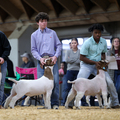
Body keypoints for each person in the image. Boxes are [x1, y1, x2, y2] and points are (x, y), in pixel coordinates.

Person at [76, 23, 120, 108]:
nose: (97, 34)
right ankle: (70, 103)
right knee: (78, 81)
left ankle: (115, 103)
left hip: (99, 65)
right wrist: (94, 63)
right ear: (92, 32)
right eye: (96, 32)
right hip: (86, 65)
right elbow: (81, 57)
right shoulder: (87, 42)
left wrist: (103, 62)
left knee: (110, 82)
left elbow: (103, 53)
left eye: (99, 33)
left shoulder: (103, 41)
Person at [31, 12, 62, 109]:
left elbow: (59, 45)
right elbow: (33, 49)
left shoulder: (52, 33)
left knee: (55, 82)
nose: (44, 23)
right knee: (42, 84)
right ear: (37, 23)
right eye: (42, 21)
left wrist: (56, 56)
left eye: (45, 21)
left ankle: (55, 104)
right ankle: (46, 104)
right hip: (41, 61)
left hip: (52, 61)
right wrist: (40, 58)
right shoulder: (34, 35)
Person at [63, 38, 80, 108]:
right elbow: (67, 60)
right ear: (71, 44)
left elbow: (80, 61)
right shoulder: (68, 51)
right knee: (68, 87)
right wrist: (76, 59)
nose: (73, 44)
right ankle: (66, 103)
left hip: (78, 71)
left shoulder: (80, 51)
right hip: (70, 71)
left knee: (77, 88)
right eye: (72, 43)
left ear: (77, 44)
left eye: (75, 43)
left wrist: (71, 60)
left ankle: (76, 103)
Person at [0, 31, 11, 109]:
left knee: (1, 83)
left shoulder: (1, 35)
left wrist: (3, 57)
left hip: (1, 62)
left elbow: (7, 48)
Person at [107, 37, 120, 103]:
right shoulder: (109, 52)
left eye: (118, 41)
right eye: (115, 41)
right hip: (112, 71)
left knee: (118, 87)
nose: (116, 42)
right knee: (112, 87)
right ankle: (113, 102)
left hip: (119, 71)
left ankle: (117, 102)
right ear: (112, 43)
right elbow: (106, 62)